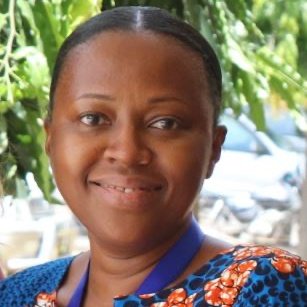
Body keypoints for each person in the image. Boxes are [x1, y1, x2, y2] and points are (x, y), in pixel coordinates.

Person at [0, 6, 306, 306]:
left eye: (165, 123)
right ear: (50, 139)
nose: (127, 152)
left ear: (214, 147)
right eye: (93, 118)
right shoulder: (18, 293)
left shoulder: (262, 285)